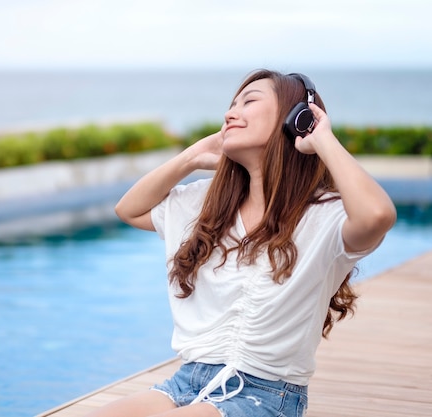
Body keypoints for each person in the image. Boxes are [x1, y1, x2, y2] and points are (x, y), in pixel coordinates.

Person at [86, 69, 397, 417]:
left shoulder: (323, 216)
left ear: (295, 119)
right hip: (187, 382)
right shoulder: (205, 205)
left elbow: (377, 215)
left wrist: (321, 138)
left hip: (265, 394)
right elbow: (128, 210)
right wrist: (192, 156)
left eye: (249, 102)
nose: (230, 114)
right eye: (232, 104)